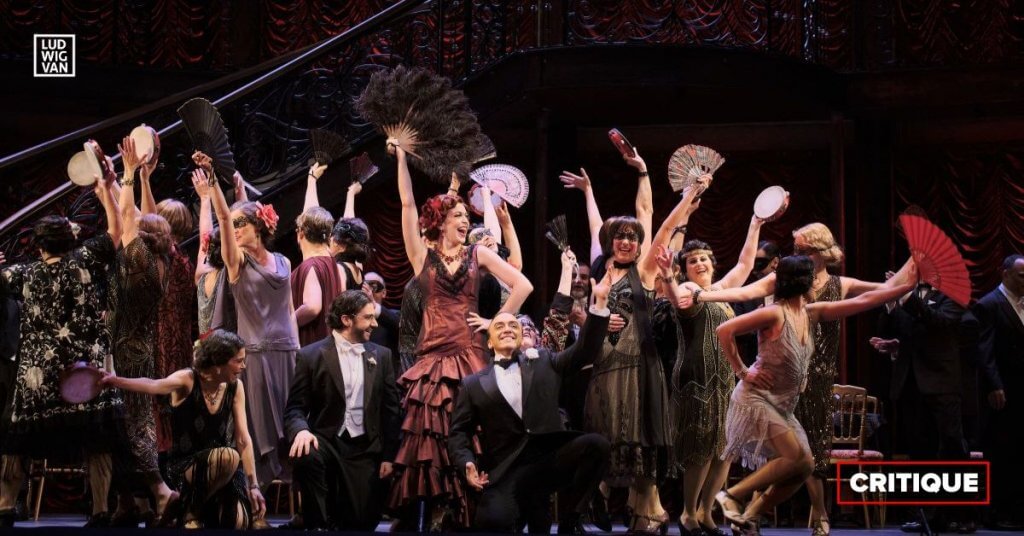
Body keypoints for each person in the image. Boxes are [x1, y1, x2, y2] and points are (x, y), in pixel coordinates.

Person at [686, 222, 914, 536]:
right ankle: (731, 496)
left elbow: (865, 301)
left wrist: (908, 282)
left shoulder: (811, 312)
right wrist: (743, 370)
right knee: (794, 457)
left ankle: (751, 515)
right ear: (803, 283)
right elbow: (725, 330)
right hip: (757, 399)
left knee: (805, 465)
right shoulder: (774, 312)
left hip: (784, 403)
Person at [388, 143, 533, 530]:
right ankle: (440, 509)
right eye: (457, 216)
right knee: (432, 436)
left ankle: (473, 509)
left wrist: (496, 321)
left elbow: (523, 285)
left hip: (471, 354)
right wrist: (401, 159)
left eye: (466, 216)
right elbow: (407, 204)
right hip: (433, 359)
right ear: (439, 221)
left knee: (473, 433)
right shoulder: (422, 256)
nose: (465, 221)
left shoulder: (477, 255)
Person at [448, 261, 613, 534]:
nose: (508, 329)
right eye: (500, 326)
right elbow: (458, 433)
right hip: (507, 469)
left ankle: (571, 519)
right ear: (489, 341)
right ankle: (526, 508)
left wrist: (601, 305)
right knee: (492, 522)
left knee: (597, 446)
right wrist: (466, 462)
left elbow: (584, 351)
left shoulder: (544, 360)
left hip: (550, 461)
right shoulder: (473, 384)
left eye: (513, 325)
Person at [559, 148, 676, 533]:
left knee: (635, 435)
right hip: (601, 364)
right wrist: (588, 192)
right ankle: (600, 497)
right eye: (619, 236)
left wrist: (643, 173)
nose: (625, 240)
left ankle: (641, 509)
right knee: (603, 434)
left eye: (631, 237)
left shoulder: (643, 268)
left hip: (637, 362)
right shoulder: (598, 265)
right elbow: (598, 225)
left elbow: (648, 214)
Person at [0, 173, 123, 528]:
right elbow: (116, 230)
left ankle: (5, 505)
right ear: (70, 239)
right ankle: (101, 508)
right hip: (84, 376)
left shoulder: (21, 274)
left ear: (39, 246)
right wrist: (105, 191)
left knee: (16, 441)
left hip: (37, 380)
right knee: (98, 441)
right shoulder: (85, 258)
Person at [200, 152, 300, 498]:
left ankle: (297, 507)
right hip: (254, 357)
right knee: (256, 432)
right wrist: (213, 181)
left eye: (242, 223)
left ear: (259, 226)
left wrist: (298, 351)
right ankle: (253, 500)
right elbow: (223, 219)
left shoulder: (284, 262)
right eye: (233, 225)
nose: (235, 228)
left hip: (287, 354)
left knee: (292, 429)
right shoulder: (236, 264)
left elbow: (289, 310)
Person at [100, 329, 266, 528]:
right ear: (219, 361)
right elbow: (153, 385)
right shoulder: (188, 379)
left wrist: (253, 485)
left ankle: (189, 509)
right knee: (230, 456)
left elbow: (243, 439)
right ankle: (190, 511)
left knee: (239, 523)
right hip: (186, 466)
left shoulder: (235, 387)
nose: (243, 366)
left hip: (222, 470)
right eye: (238, 361)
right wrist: (115, 381)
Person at [665, 212, 764, 536]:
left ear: (712, 263)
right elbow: (679, 303)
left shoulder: (719, 290)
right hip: (696, 378)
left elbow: (745, 265)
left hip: (724, 379)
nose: (700, 263)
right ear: (685, 268)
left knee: (724, 451)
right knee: (701, 448)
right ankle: (688, 513)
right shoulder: (687, 288)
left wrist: (755, 223)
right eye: (692, 260)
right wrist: (668, 278)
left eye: (704, 258)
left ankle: (706, 513)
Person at [284, 290, 401, 530]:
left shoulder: (382, 356)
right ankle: (316, 524)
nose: (375, 324)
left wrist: (389, 456)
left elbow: (391, 412)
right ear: (347, 320)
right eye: (368, 317)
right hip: (327, 440)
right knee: (306, 452)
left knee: (360, 523)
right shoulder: (310, 356)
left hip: (365, 447)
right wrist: (301, 430)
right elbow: (295, 408)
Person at [106, 137, 176, 525]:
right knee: (125, 423)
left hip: (127, 350)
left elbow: (127, 214)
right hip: (139, 346)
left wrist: (129, 173)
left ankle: (159, 491)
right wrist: (110, 183)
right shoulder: (161, 260)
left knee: (132, 425)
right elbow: (135, 216)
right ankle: (131, 501)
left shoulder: (140, 260)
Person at [872, 283, 971, 532]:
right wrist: (890, 307)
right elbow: (898, 330)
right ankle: (925, 514)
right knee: (919, 451)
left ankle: (960, 514)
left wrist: (906, 297)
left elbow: (940, 323)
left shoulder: (953, 293)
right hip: (911, 383)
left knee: (951, 446)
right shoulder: (910, 296)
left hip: (941, 382)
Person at [971, 254, 1024, 529]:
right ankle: (997, 513)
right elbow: (984, 350)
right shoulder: (989, 304)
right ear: (1005, 274)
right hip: (1003, 389)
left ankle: (1017, 511)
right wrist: (994, 385)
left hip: (1022, 389)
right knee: (1002, 450)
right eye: (1021, 276)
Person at [291, 207, 345, 346]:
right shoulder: (334, 265)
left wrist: (287, 323)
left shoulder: (311, 265)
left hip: (313, 344)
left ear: (301, 233)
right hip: (330, 344)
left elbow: (312, 307)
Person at [733, 241, 781, 366]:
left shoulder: (791, 291)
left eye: (759, 263)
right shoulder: (745, 295)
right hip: (756, 363)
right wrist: (755, 324)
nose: (755, 270)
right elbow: (737, 331)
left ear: (775, 262)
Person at [364, 271, 400, 369]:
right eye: (365, 286)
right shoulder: (355, 318)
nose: (369, 291)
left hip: (385, 370)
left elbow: (398, 324)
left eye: (374, 286)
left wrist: (373, 306)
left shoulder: (394, 314)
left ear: (383, 293)